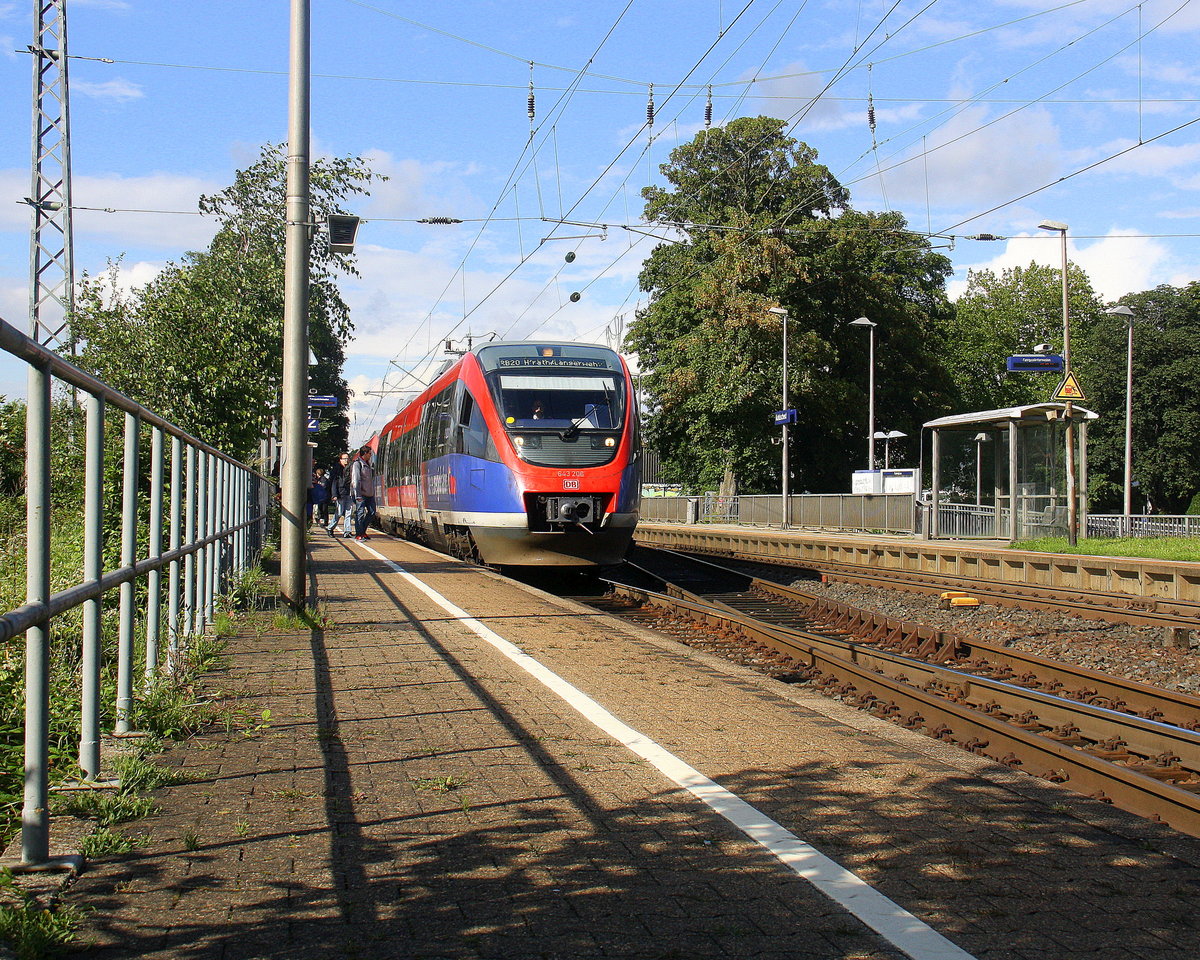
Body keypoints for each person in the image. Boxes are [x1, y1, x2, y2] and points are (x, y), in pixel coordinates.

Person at [351, 446, 377, 542]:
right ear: (365, 454)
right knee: (360, 513)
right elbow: (356, 480)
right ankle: (359, 534)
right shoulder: (357, 464)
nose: (371, 456)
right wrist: (357, 495)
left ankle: (363, 531)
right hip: (361, 494)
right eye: (370, 453)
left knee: (372, 512)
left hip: (369, 494)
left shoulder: (368, 464)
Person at [326, 451, 353, 537]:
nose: (346, 460)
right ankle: (330, 528)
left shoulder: (350, 468)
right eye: (344, 459)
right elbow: (333, 482)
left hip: (348, 493)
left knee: (349, 513)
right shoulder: (336, 470)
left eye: (347, 458)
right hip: (340, 494)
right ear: (340, 460)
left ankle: (347, 531)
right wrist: (334, 495)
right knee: (340, 512)